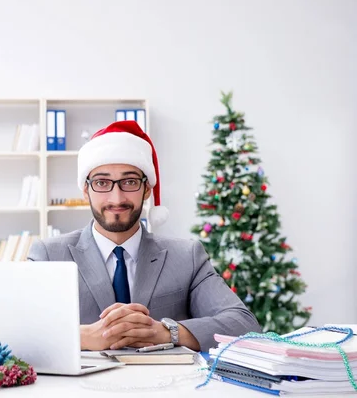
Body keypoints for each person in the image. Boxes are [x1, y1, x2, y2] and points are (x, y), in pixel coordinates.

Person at [27, 120, 261, 352]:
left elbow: (244, 324)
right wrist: (83, 336)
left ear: (147, 188)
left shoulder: (186, 256)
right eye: (102, 182)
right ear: (86, 189)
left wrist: (167, 332)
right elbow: (20, 330)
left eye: (129, 182)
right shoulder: (48, 255)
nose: (116, 199)